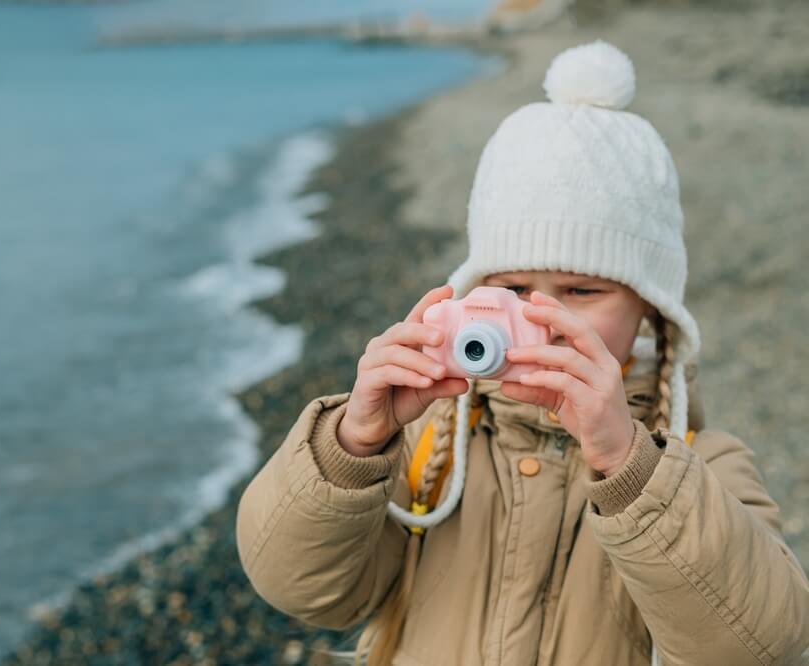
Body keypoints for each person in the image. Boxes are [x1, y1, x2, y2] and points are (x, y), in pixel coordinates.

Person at [235, 39, 809, 665]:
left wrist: (628, 467)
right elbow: (299, 589)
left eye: (581, 290)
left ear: (649, 307)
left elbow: (760, 645)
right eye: (510, 289)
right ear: (472, 293)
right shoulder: (430, 446)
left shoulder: (699, 466)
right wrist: (352, 444)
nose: (541, 315)